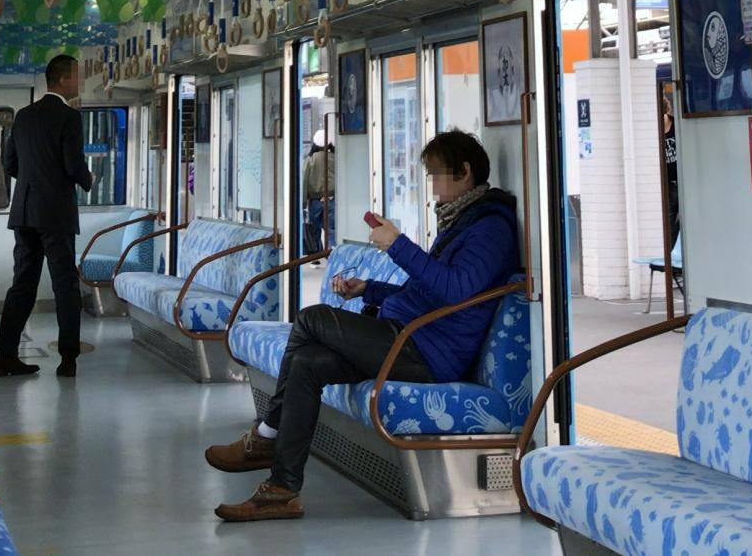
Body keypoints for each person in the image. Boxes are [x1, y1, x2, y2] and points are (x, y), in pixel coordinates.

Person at [204, 129, 520, 522]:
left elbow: (456, 290)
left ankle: (268, 434)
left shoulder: (490, 229)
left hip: (426, 352)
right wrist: (369, 289)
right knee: (307, 363)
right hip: (408, 336)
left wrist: (398, 245)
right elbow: (426, 292)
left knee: (311, 318)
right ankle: (283, 489)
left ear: (465, 172)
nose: (432, 186)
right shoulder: (462, 222)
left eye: (437, 175)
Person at [0, 54, 92, 378]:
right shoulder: (69, 117)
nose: (80, 82)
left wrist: (34, 182)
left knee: (22, 283)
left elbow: (10, 164)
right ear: (63, 79)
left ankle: (5, 356)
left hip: (24, 210)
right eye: (77, 75)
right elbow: (73, 165)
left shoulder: (23, 116)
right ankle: (68, 359)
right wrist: (89, 180)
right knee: (65, 285)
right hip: (55, 213)